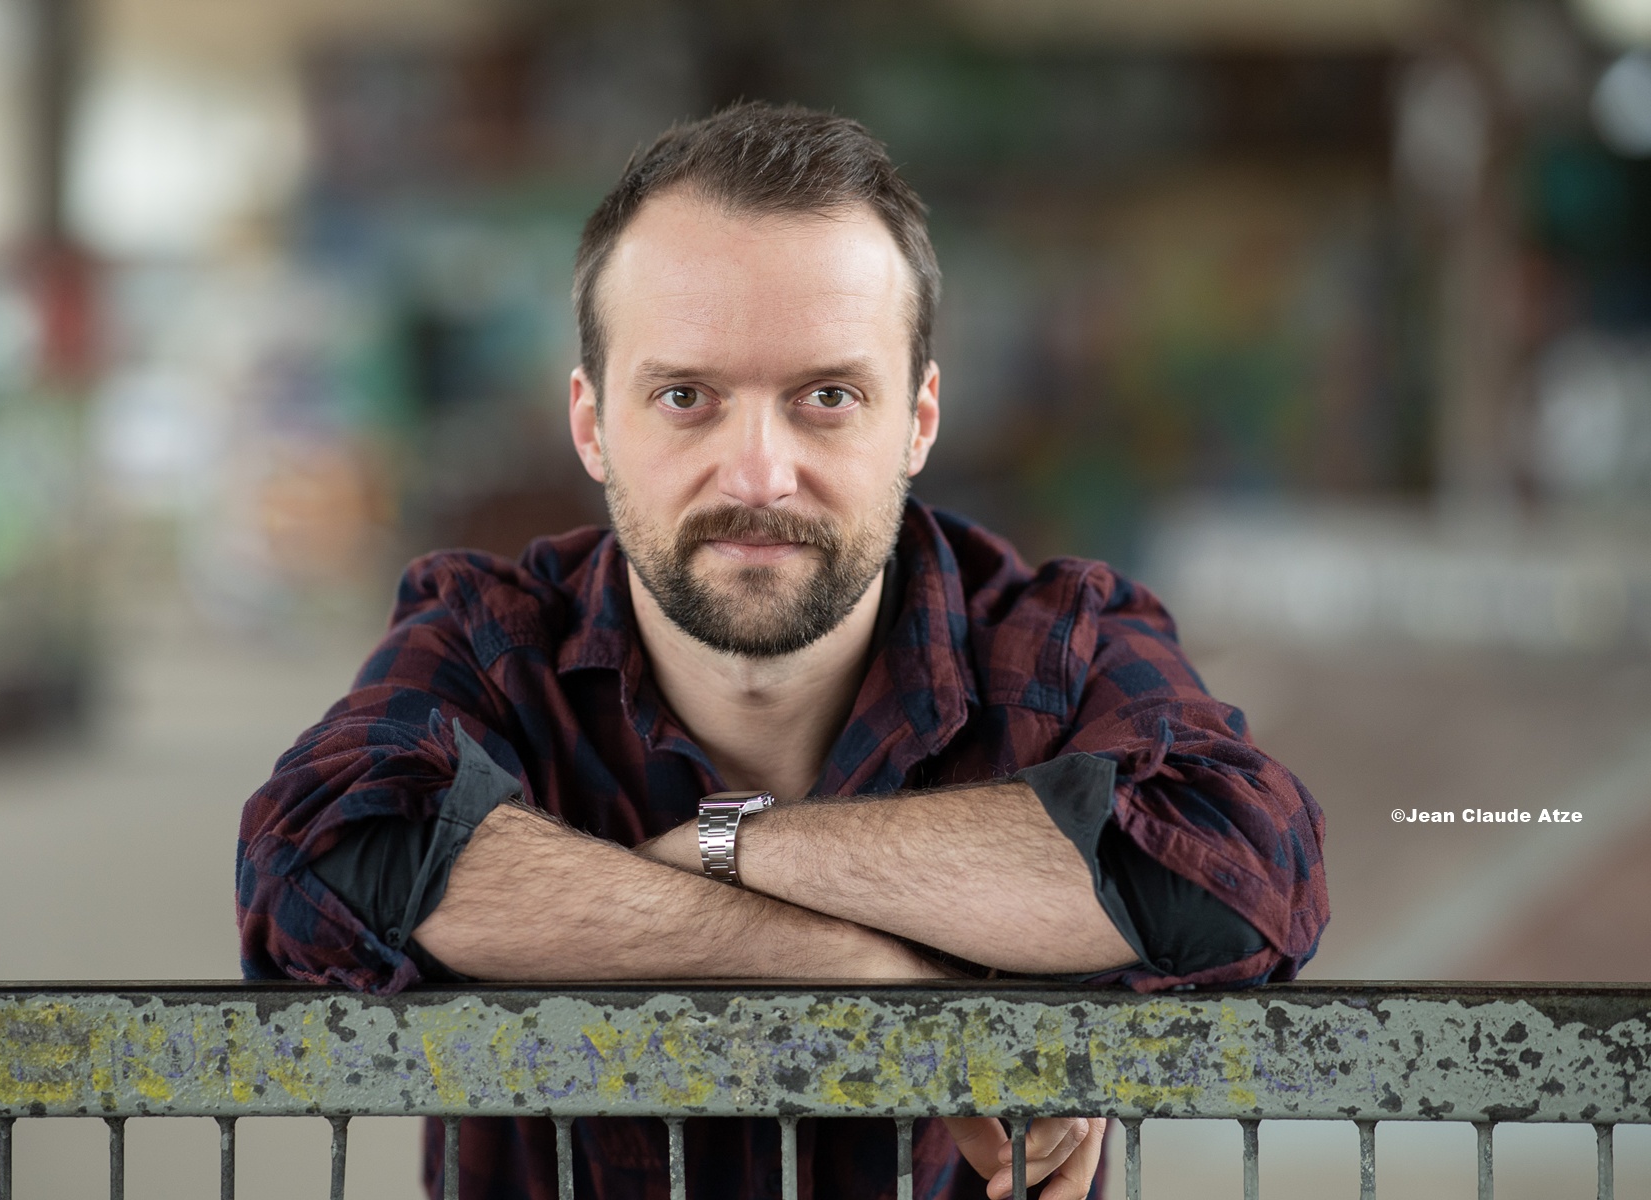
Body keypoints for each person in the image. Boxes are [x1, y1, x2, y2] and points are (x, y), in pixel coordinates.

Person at [236, 101, 1329, 1200]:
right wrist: (886, 980)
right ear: (592, 422)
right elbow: (320, 863)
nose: (758, 475)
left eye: (827, 397)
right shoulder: (490, 643)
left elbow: (1244, 873)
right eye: (685, 397)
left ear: (918, 419)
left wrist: (726, 846)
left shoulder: (1057, 647)